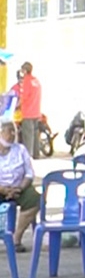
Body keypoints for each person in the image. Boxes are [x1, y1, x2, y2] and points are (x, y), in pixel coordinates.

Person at [0, 121, 37, 251]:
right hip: (1, 188)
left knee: (35, 199)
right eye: (8, 131)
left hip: (19, 187)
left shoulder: (20, 149)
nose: (12, 135)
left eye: (13, 131)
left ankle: (16, 239)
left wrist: (20, 188)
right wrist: (3, 190)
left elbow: (29, 173)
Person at [14, 62, 42, 158]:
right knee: (35, 135)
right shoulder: (36, 81)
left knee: (28, 136)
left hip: (28, 113)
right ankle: (36, 154)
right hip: (36, 112)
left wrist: (16, 106)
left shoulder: (27, 82)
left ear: (25, 71)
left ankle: (27, 156)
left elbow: (23, 97)